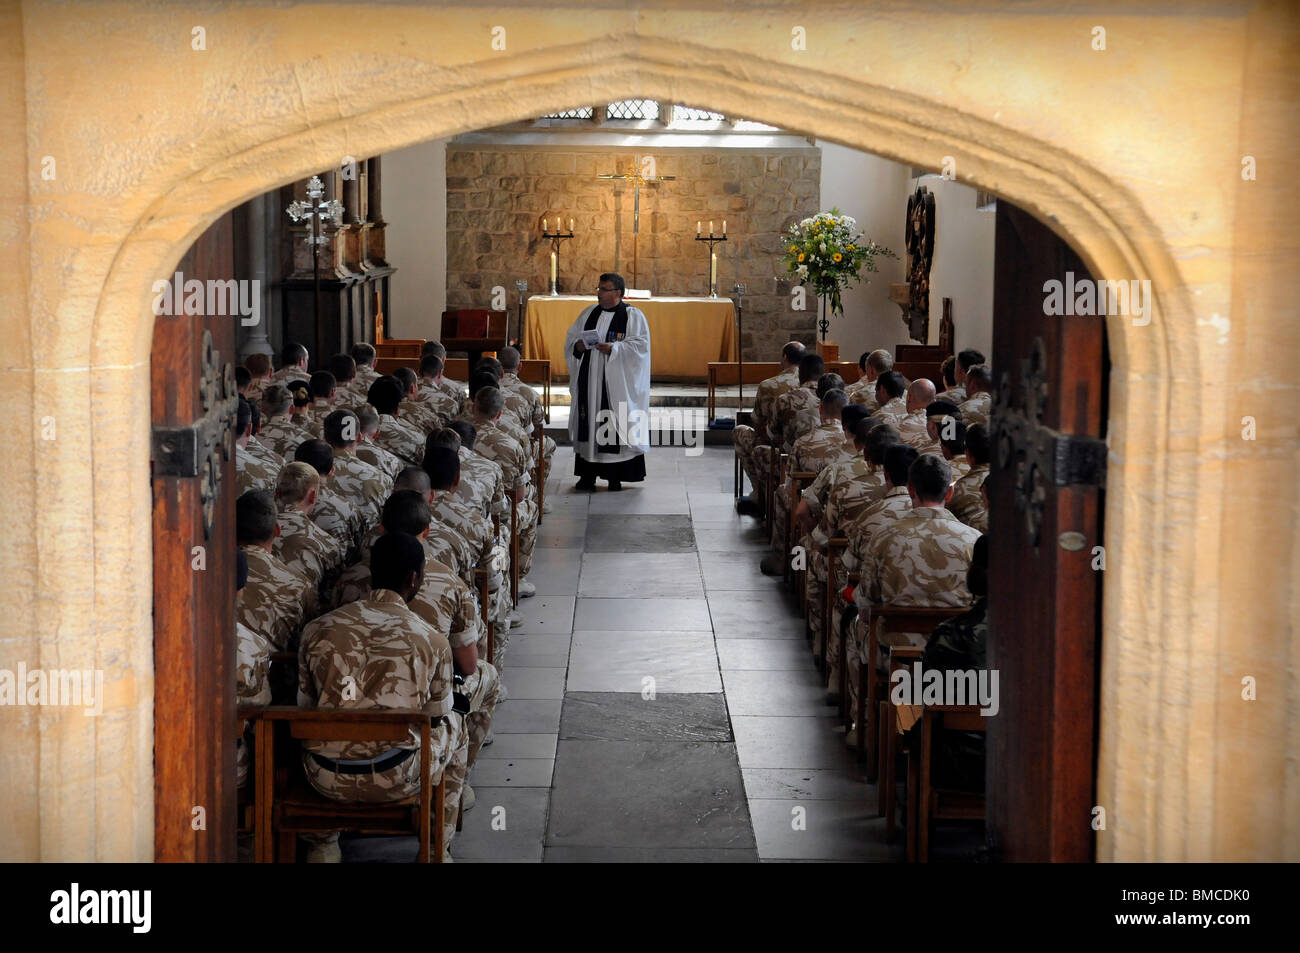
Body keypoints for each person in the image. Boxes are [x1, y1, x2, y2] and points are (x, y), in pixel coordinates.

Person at [297, 531, 468, 863]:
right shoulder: (432, 640)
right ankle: (435, 849)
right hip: (400, 775)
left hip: (324, 777)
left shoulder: (318, 629)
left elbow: (306, 706)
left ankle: (322, 845)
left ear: (372, 572)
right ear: (415, 578)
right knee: (456, 721)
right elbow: (435, 716)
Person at [563, 272, 651, 491]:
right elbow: (572, 340)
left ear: (618, 293)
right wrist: (578, 347)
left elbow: (641, 347)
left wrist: (615, 348)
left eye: (604, 289)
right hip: (590, 380)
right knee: (590, 421)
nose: (599, 293)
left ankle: (615, 477)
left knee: (613, 421)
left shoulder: (633, 316)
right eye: (599, 288)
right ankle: (587, 476)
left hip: (615, 384)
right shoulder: (588, 313)